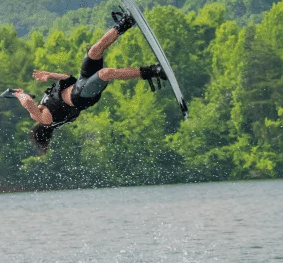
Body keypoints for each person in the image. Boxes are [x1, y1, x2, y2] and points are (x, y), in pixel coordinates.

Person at [9, 9, 167, 154]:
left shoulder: (45, 104)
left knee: (94, 50)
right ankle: (152, 71)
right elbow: (27, 102)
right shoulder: (45, 119)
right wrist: (17, 93)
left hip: (80, 82)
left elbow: (66, 78)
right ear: (40, 129)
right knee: (106, 73)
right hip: (82, 95)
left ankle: (125, 22)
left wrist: (49, 75)